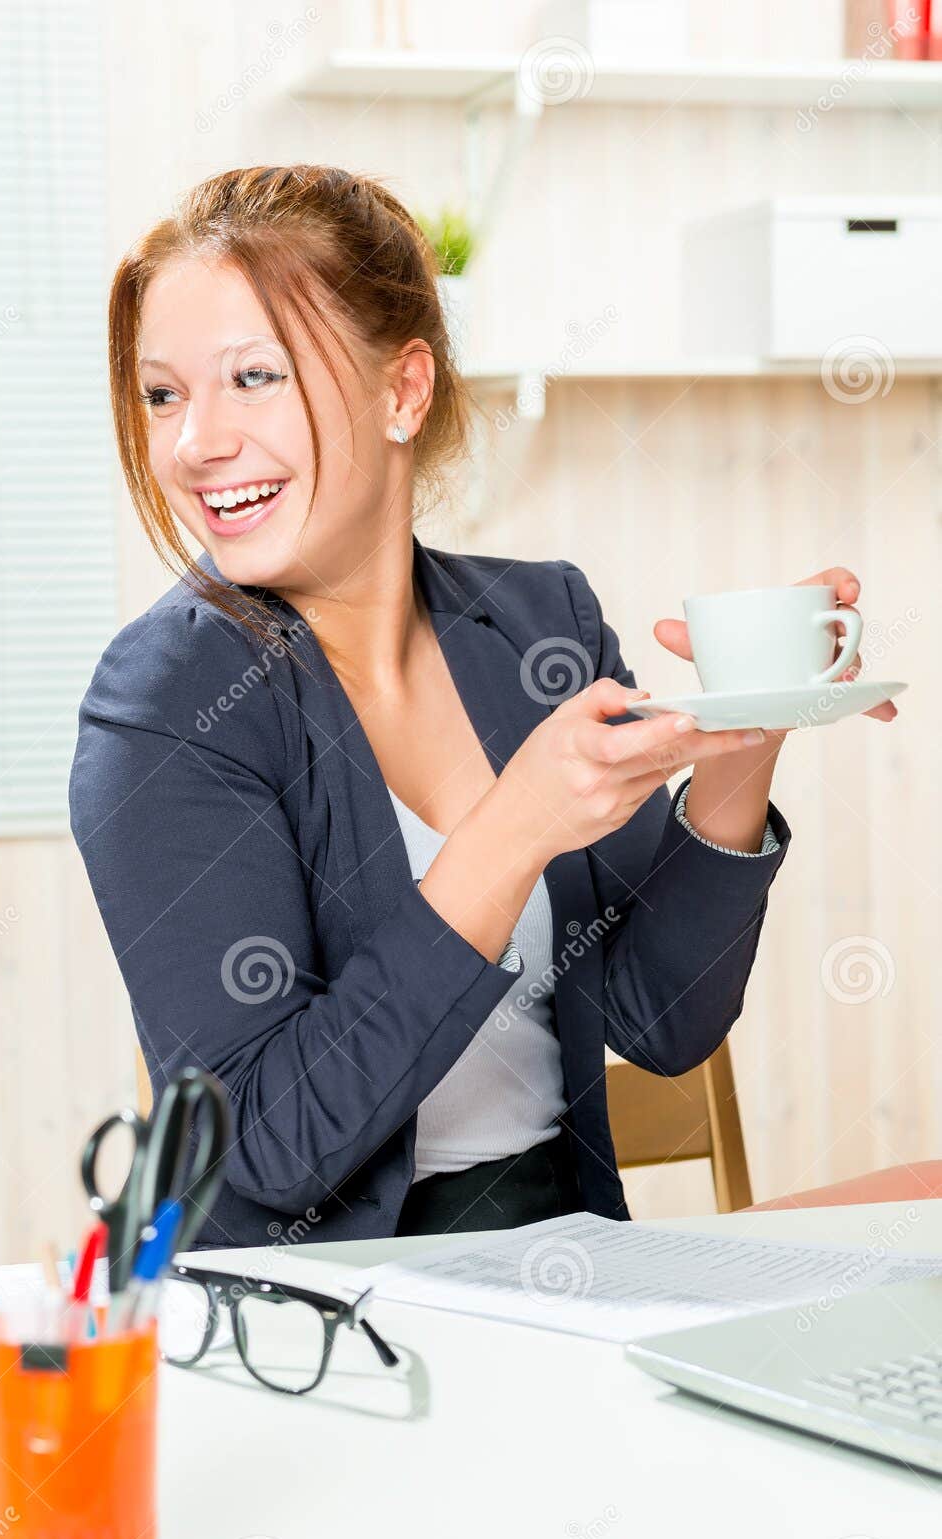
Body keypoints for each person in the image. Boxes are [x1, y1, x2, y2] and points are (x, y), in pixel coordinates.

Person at [69, 164, 893, 1250]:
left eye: (253, 378)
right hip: (327, 1317)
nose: (192, 444)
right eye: (165, 393)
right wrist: (510, 832)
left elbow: (665, 1017)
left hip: (566, 1256)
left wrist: (747, 731)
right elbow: (268, 1148)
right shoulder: (166, 704)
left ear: (402, 391)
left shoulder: (535, 622)